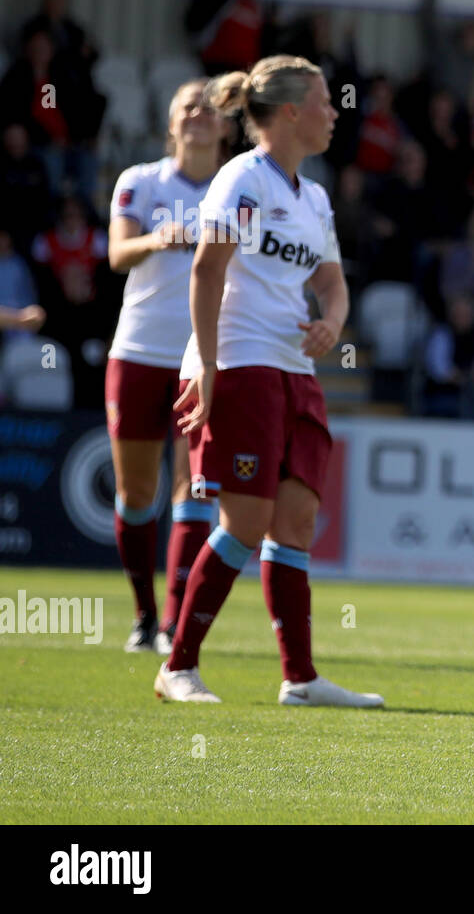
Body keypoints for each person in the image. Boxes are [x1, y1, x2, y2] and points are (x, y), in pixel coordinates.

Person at [158, 55, 382, 708]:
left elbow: (332, 284)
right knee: (246, 519)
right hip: (241, 360)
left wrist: (332, 324)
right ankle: (177, 666)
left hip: (294, 368)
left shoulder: (313, 197)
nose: (335, 113)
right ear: (290, 112)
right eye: (324, 101)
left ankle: (301, 678)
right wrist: (205, 363)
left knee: (298, 517)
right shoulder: (243, 180)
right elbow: (206, 272)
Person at [106, 79, 222, 654]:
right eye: (187, 106)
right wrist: (157, 239)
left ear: (224, 126)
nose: (199, 113)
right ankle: (144, 615)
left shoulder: (238, 188)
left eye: (208, 106)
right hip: (139, 351)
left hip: (200, 358)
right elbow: (115, 254)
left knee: (193, 487)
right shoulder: (141, 181)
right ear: (171, 123)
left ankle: (175, 624)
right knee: (135, 491)